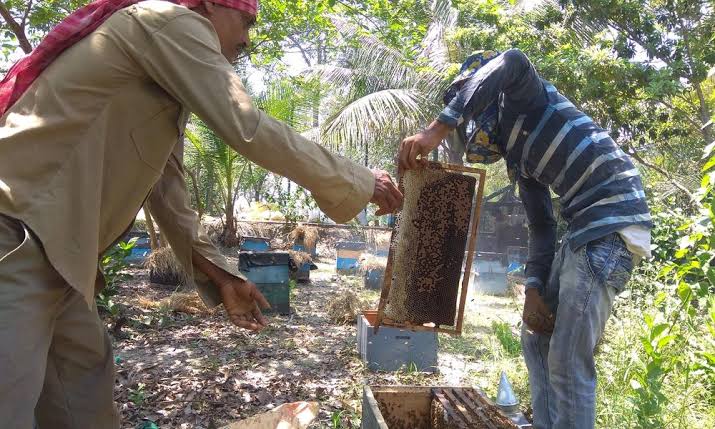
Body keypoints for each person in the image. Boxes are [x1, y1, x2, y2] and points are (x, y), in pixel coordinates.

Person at [0, 1, 402, 427]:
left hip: (59, 258)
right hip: (16, 235)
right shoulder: (169, 21)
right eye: (246, 20)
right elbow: (249, 126)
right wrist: (359, 181)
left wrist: (222, 274)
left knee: (84, 409)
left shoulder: (159, 64)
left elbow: (166, 187)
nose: (247, 39)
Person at [398, 49, 651, 429]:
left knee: (567, 360)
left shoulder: (524, 97)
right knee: (536, 338)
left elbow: (512, 59)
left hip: (612, 225)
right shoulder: (518, 159)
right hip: (582, 233)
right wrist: (533, 286)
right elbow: (542, 224)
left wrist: (436, 129)